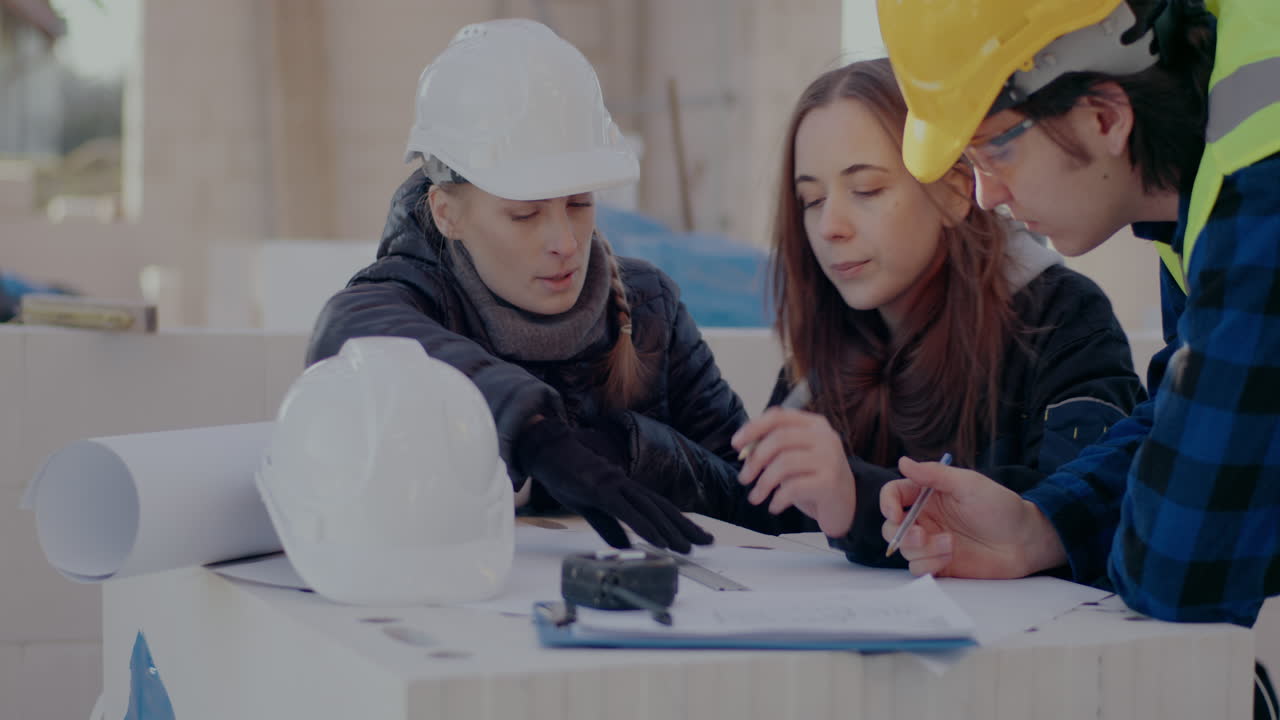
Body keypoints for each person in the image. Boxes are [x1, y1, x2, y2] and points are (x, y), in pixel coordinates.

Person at [875, 0, 1280, 625]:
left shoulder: (1260, 179)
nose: (988, 196)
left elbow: (1183, 569)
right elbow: (1191, 418)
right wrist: (1038, 527)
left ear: (1105, 116)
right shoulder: (1208, 162)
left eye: (993, 153)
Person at [308, 19, 756, 553]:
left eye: (579, 204)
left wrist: (626, 452)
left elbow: (755, 497)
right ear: (447, 213)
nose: (565, 241)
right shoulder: (419, 303)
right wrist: (535, 436)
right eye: (524, 215)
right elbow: (346, 328)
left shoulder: (650, 308)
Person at [728, 58, 1144, 565]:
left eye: (867, 190)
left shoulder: (1063, 318)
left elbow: (1082, 517)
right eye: (811, 200)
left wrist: (855, 496)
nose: (830, 226)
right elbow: (755, 528)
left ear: (954, 189)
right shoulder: (823, 349)